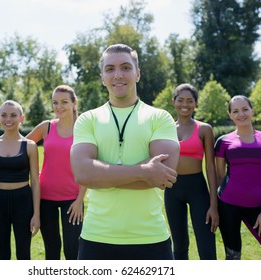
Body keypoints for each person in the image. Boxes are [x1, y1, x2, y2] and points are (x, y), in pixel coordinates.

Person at [70, 43, 180, 260]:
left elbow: (162, 176)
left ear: (137, 74)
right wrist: (144, 171)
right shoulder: (87, 119)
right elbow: (83, 174)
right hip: (96, 238)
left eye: (125, 67)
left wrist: (102, 176)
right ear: (102, 77)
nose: (118, 74)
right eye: (110, 69)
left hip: (150, 238)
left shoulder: (160, 117)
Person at [214, 95, 261, 260]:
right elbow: (219, 178)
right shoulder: (223, 142)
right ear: (230, 115)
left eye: (245, 109)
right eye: (235, 111)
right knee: (233, 258)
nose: (241, 114)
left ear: (252, 111)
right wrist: (215, 207)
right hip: (227, 207)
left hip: (256, 208)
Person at [27, 85, 86, 260]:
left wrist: (80, 200)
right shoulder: (47, 127)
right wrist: (34, 174)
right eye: (55, 103)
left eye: (64, 102)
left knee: (72, 250)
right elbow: (21, 146)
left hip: (73, 200)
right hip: (45, 198)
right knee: (51, 250)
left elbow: (87, 165)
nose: (58, 107)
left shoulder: (84, 129)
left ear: (74, 104)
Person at [164, 83, 218, 260]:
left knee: (206, 244)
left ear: (196, 103)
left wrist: (213, 204)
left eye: (190, 101)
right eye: (180, 100)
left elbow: (210, 167)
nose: (184, 104)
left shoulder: (204, 129)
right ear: (174, 101)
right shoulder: (165, 128)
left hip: (197, 189)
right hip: (172, 189)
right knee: (179, 246)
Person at [0, 100, 40, 260]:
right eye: (4, 115)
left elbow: (35, 182)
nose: (9, 119)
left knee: (23, 254)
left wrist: (36, 214)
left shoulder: (30, 146)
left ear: (21, 118)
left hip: (23, 201)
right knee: (2, 255)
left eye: (13, 115)